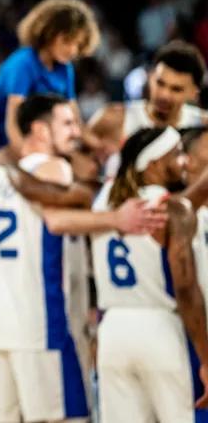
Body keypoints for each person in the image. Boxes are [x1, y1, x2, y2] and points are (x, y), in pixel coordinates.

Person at [0, 94, 164, 422]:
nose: (77, 132)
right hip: (35, 323)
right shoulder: (54, 167)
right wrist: (116, 220)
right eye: (68, 123)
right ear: (40, 130)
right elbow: (56, 221)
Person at [91, 127, 208, 421]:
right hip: (159, 326)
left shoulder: (105, 199)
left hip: (112, 329)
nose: (184, 161)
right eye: (177, 154)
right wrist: (206, 356)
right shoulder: (172, 208)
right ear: (154, 162)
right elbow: (185, 286)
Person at [0, 0, 100, 151]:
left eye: (78, 44)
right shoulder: (23, 63)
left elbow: (74, 115)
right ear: (47, 32)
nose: (73, 50)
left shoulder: (65, 68)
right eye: (66, 41)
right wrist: (29, 159)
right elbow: (12, 123)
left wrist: (97, 145)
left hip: (41, 139)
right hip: (2, 142)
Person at [88, 40, 207, 170]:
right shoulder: (114, 118)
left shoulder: (203, 126)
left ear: (194, 93)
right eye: (160, 83)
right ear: (150, 77)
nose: (164, 95)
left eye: (176, 89)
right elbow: (75, 158)